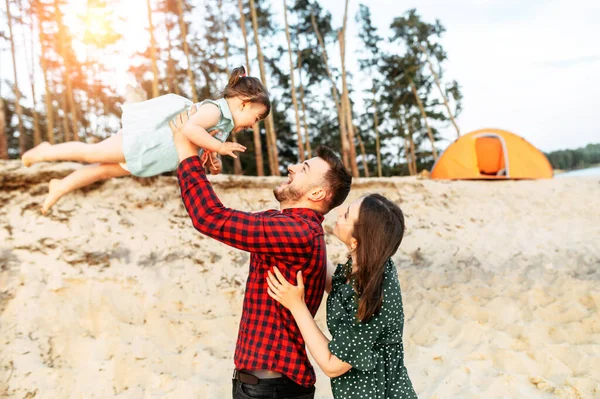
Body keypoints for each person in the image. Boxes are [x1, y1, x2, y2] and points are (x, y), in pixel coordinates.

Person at [171, 106, 352, 399]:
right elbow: (227, 218)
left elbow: (210, 218)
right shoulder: (288, 226)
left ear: (317, 194)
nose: (292, 167)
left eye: (303, 168)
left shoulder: (297, 233)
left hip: (270, 389)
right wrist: (204, 164)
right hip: (268, 386)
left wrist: (185, 151)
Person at [21, 66, 265, 213]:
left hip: (149, 156)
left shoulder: (222, 126)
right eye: (256, 118)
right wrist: (219, 146)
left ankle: (60, 186)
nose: (253, 125)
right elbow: (190, 129)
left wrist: (212, 162)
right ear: (244, 104)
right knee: (90, 153)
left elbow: (199, 150)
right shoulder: (215, 110)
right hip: (144, 143)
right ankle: (45, 151)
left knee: (101, 171)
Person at [266, 194, 418, 399]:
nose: (339, 212)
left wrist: (297, 306)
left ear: (356, 241)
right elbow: (339, 288)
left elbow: (332, 365)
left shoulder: (374, 295)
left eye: (346, 215)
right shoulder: (369, 266)